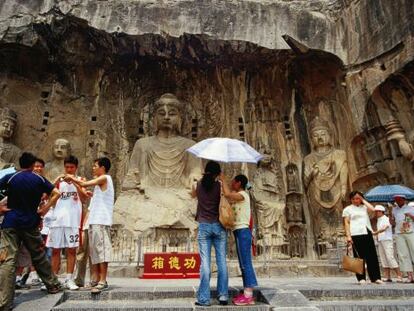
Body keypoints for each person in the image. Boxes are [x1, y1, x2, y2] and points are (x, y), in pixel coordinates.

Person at [0, 152, 62, 311]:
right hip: (30, 223)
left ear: (20, 164)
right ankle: (53, 285)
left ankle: (4, 302)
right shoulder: (38, 179)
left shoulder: (11, 177)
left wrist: (0, 207)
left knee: (8, 260)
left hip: (10, 222)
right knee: (39, 256)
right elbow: (56, 193)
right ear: (32, 164)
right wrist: (44, 209)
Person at [65, 157, 114, 293]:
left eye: (95, 166)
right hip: (94, 221)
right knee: (95, 254)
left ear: (102, 168)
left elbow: (87, 184)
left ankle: (103, 281)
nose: (93, 168)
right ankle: (96, 280)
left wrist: (72, 178)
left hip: (101, 221)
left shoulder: (105, 178)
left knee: (102, 252)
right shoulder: (100, 185)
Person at [46, 155, 88, 290]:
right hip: (57, 221)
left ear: (76, 168)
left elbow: (83, 198)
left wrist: (75, 182)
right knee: (55, 251)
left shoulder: (81, 180)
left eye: (72, 167)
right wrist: (56, 180)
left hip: (73, 222)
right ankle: (53, 279)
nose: (69, 170)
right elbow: (46, 195)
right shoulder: (59, 182)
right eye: (67, 167)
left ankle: (69, 279)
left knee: (71, 250)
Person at [191, 161, 228, 306]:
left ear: (205, 171)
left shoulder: (199, 185)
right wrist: (223, 179)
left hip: (204, 226)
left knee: (205, 263)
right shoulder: (219, 186)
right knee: (221, 262)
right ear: (218, 173)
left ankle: (204, 299)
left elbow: (193, 195)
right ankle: (223, 295)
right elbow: (228, 194)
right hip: (219, 226)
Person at [221, 174, 258, 306]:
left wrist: (223, 179)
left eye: (233, 181)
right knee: (243, 263)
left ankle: (249, 295)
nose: (231, 183)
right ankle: (247, 292)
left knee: (245, 263)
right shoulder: (238, 196)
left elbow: (228, 195)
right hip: (239, 232)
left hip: (243, 231)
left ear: (239, 183)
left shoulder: (243, 195)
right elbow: (227, 195)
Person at [343, 191, 382, 284]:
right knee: (358, 257)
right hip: (355, 233)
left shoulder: (364, 207)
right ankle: (361, 278)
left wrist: (363, 200)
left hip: (366, 231)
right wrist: (348, 236)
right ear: (350, 199)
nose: (356, 200)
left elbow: (373, 209)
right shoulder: (347, 209)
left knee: (371, 255)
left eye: (357, 198)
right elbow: (346, 223)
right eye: (353, 199)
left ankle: (375, 277)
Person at [372, 205, 402, 282]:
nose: (376, 213)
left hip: (387, 240)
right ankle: (388, 276)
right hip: (380, 240)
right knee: (383, 258)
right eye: (375, 211)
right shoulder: (378, 220)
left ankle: (399, 275)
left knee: (390, 257)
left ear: (382, 212)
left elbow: (385, 228)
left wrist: (376, 232)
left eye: (378, 211)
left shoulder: (386, 219)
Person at [390, 195, 414, 282]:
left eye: (400, 199)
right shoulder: (394, 209)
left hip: (410, 232)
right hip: (399, 233)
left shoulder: (410, 208)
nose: (398, 201)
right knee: (403, 254)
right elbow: (392, 223)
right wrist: (390, 215)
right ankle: (410, 276)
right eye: (396, 200)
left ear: (404, 200)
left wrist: (410, 215)